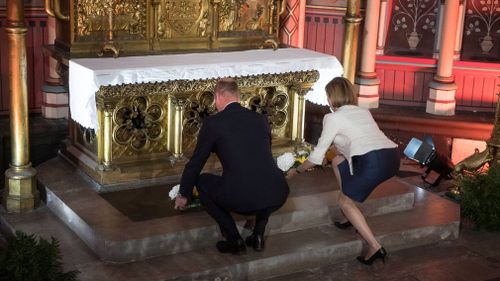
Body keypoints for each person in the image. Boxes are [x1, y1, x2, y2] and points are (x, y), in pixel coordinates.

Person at [287, 77, 400, 265]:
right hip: (392, 156)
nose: (327, 100)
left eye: (327, 96)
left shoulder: (332, 117)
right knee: (337, 160)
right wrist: (331, 153)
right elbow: (350, 144)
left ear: (332, 97)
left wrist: (297, 171)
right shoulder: (363, 112)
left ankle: (374, 246)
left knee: (345, 202)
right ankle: (350, 214)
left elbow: (316, 158)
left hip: (372, 162)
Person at [175, 78, 289, 255]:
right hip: (278, 192)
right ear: (238, 95)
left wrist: (184, 194)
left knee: (203, 181)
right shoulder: (260, 119)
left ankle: (234, 238)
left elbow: (196, 163)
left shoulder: (214, 123)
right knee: (263, 175)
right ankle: (258, 234)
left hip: (242, 198)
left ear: (219, 96)